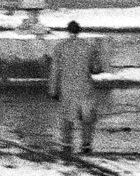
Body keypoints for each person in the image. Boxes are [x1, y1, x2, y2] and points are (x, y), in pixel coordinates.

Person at [45, 20, 108, 156]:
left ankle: (67, 145)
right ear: (79, 31)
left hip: (67, 89)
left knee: (67, 118)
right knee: (87, 118)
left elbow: (55, 71)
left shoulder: (60, 47)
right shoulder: (88, 47)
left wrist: (53, 90)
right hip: (85, 89)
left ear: (68, 31)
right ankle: (86, 145)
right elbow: (96, 68)